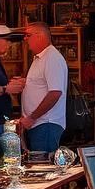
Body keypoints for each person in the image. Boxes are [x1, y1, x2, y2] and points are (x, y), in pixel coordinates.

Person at [19, 22, 69, 154]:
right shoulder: (40, 58)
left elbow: (55, 93)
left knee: (44, 167)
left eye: (28, 35)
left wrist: (32, 117)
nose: (25, 39)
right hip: (39, 124)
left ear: (40, 36)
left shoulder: (51, 58)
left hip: (46, 124)